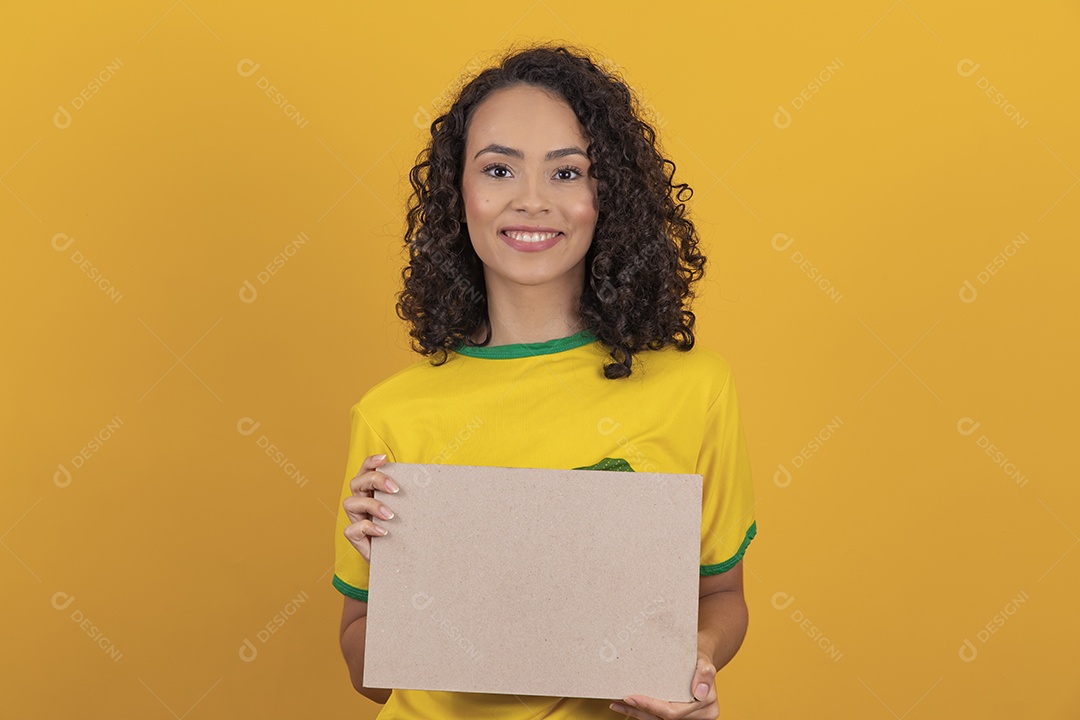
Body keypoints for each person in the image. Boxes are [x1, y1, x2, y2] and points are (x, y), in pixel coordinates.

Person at [333, 42, 758, 720]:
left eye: (567, 174)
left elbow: (721, 596)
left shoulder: (695, 388)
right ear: (459, 195)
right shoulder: (392, 413)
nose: (531, 201)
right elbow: (368, 670)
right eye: (498, 169)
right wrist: (396, 577)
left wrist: (693, 663)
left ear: (607, 196)